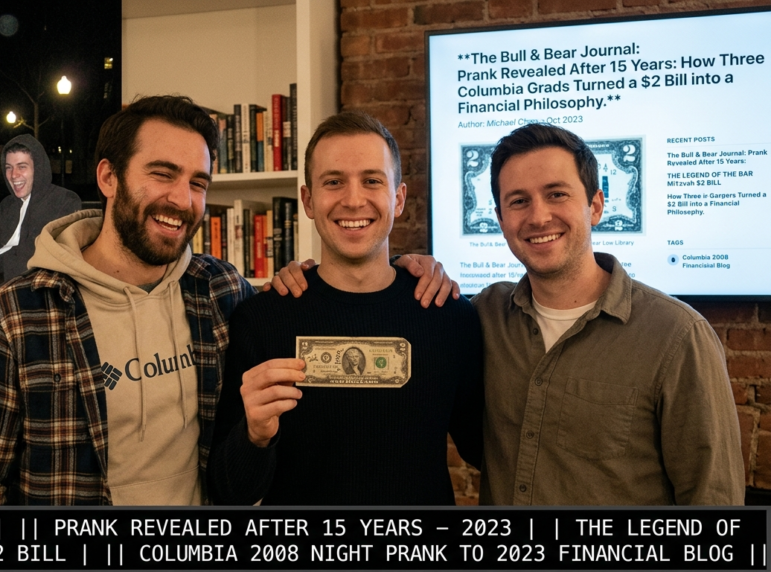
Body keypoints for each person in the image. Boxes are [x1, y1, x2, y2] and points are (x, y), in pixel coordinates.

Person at [277, 123, 745, 505]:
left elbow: (714, 501)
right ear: (500, 220)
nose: (538, 217)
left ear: (596, 205)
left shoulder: (676, 336)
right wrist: (384, 268)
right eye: (518, 201)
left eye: (557, 194)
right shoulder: (482, 316)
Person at [0, 95, 255, 505]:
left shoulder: (221, 291)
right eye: (162, 174)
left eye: (198, 183)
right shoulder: (10, 318)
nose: (183, 199)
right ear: (108, 178)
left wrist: (304, 282)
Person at [207, 112, 483, 506]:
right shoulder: (262, 319)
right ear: (308, 200)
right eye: (334, 182)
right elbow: (229, 492)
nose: (353, 200)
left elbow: (488, 451)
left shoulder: (449, 316)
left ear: (398, 198)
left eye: (372, 180)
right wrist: (253, 436)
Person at [0, 134, 81, 281]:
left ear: (37, 168)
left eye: (22, 167)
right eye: (9, 168)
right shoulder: (7, 208)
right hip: (15, 293)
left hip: (50, 293)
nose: (14, 175)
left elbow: (70, 261)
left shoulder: (64, 202)